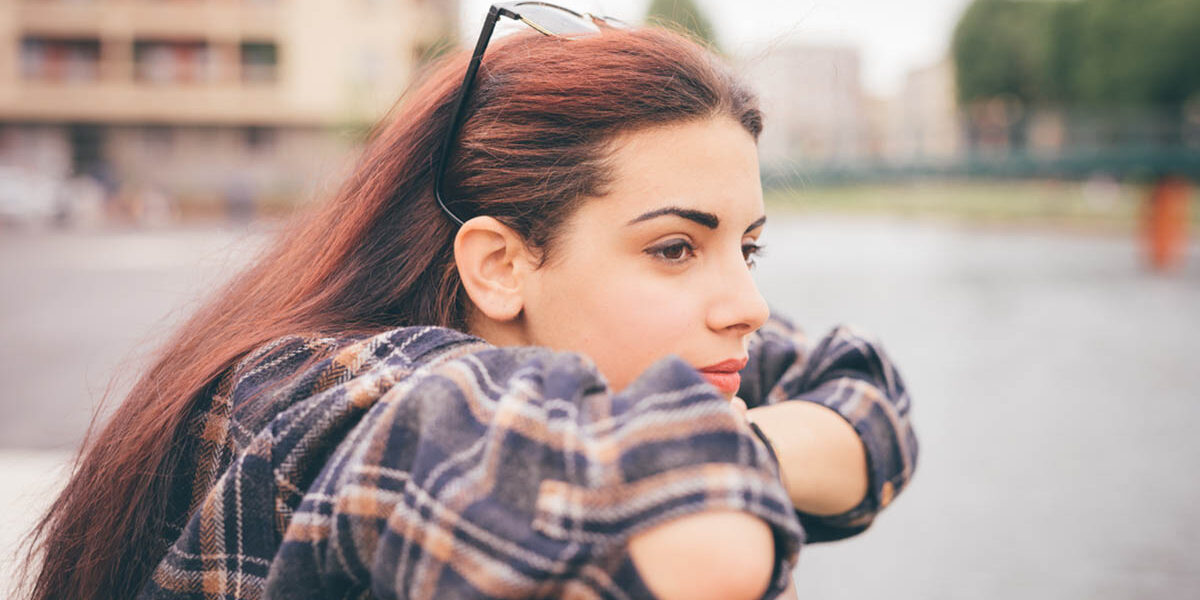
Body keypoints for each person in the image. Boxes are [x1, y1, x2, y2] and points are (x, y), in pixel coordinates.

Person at [26, 5, 917, 600]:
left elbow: (868, 400)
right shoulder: (331, 397)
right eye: (675, 248)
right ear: (497, 265)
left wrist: (725, 439)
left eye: (747, 247)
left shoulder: (641, 342)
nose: (748, 304)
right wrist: (706, 453)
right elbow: (707, 546)